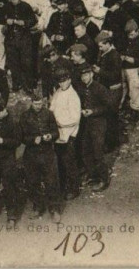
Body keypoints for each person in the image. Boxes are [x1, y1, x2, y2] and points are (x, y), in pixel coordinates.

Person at [18, 89, 61, 223]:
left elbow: (56, 133)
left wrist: (50, 136)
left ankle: (54, 209)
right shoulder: (25, 116)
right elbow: (21, 137)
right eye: (36, 104)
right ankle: (38, 207)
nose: (38, 106)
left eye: (40, 103)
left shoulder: (49, 114)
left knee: (51, 181)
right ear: (31, 103)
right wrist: (32, 140)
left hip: (47, 153)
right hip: (31, 154)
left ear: (43, 102)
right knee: (33, 182)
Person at [75, 64, 111, 191]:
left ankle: (104, 179)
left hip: (98, 124)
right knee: (86, 150)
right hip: (86, 124)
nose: (84, 78)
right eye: (82, 76)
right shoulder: (82, 88)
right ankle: (93, 175)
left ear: (91, 74)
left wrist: (93, 111)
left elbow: (108, 107)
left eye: (86, 75)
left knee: (98, 152)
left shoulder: (99, 88)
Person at [50, 68, 81, 200]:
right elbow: (52, 108)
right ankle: (62, 186)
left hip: (68, 135)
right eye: (59, 82)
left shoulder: (73, 96)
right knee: (60, 162)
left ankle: (74, 188)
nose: (62, 84)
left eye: (64, 81)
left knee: (69, 163)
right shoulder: (58, 92)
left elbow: (75, 119)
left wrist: (59, 123)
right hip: (58, 134)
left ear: (69, 80)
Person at [2, 0, 37, 93]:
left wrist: (24, 23)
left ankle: (29, 85)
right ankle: (16, 83)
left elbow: (33, 20)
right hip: (11, 39)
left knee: (26, 63)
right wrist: (6, 20)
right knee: (13, 62)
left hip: (24, 39)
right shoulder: (7, 6)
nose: (14, 1)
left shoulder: (26, 7)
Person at [93, 31, 123, 151]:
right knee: (108, 116)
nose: (99, 49)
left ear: (108, 44)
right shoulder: (104, 53)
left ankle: (112, 144)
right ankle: (110, 141)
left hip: (113, 90)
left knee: (111, 117)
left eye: (101, 46)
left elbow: (115, 76)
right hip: (107, 90)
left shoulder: (114, 56)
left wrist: (99, 71)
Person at [22, 0, 51, 83]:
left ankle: (41, 73)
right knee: (29, 50)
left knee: (39, 49)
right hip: (27, 24)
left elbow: (47, 9)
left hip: (39, 23)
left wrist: (37, 9)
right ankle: (31, 74)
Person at [120, 20, 139, 120]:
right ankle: (124, 108)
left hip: (134, 70)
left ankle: (136, 112)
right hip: (125, 68)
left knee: (135, 91)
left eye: (131, 34)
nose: (129, 36)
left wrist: (125, 58)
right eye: (128, 34)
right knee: (125, 89)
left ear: (136, 31)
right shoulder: (128, 39)